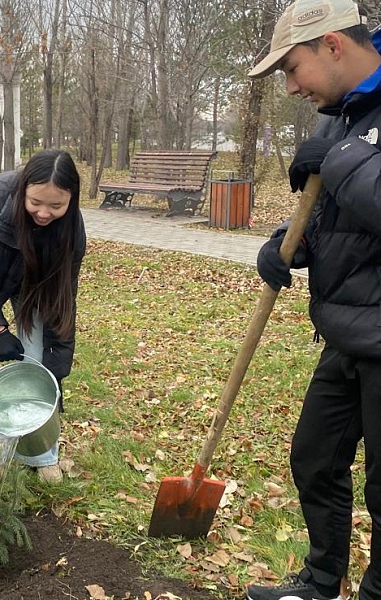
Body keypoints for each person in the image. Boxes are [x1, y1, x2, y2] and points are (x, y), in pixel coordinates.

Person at [246, 1, 381, 599]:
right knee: (315, 459)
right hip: (345, 328)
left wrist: (341, 158)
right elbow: (331, 210)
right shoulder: (339, 116)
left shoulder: (347, 132)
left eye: (293, 68)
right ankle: (323, 581)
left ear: (332, 45)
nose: (292, 85)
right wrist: (285, 246)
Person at [0, 148, 86, 484]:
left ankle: (39, 452)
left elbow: (62, 300)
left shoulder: (72, 231)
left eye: (56, 206)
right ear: (23, 188)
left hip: (34, 288)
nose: (44, 213)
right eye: (36, 203)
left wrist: (56, 368)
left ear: (72, 199)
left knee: (36, 357)